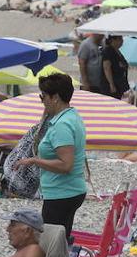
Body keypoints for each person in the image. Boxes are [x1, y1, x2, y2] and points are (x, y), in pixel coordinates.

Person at [15, 72, 87, 240]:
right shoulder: (70, 116)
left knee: (50, 245)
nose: (42, 101)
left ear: (55, 97)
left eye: (43, 96)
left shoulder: (62, 125)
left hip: (62, 193)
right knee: (60, 243)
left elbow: (65, 165)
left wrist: (34, 160)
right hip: (69, 191)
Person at [100, 35, 131, 100]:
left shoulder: (117, 51)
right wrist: (111, 84)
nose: (122, 41)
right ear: (112, 40)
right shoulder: (108, 51)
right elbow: (106, 68)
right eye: (119, 39)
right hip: (111, 84)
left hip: (120, 84)